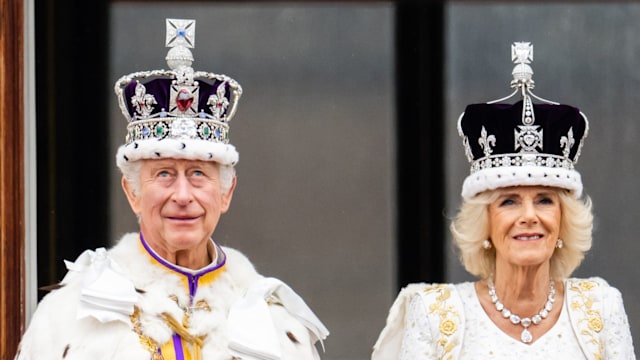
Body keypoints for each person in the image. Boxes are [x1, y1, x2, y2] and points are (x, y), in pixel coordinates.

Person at [16, 18, 328, 360]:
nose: (182, 195)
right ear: (132, 192)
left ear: (226, 193)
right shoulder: (68, 317)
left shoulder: (276, 324)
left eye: (197, 173)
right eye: (164, 174)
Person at [372, 42, 635, 359]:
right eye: (509, 201)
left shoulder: (601, 308)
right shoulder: (435, 315)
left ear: (564, 219)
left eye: (544, 200)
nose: (529, 215)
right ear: (484, 221)